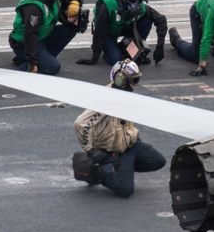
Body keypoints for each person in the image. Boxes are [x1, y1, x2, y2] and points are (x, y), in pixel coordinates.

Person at [72, 59, 167, 197]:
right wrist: (91, 149)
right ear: (120, 80)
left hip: (129, 146)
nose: (135, 85)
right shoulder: (106, 100)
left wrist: (134, 136)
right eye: (133, 80)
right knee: (125, 190)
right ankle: (98, 172)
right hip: (110, 151)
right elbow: (80, 123)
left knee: (158, 161)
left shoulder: (125, 95)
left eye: (137, 80)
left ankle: (120, 169)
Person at [76, 0, 168, 68]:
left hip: (124, 28)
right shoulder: (108, 5)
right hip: (107, 33)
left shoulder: (141, 6)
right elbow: (99, 32)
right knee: (116, 61)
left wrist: (160, 47)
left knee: (147, 20)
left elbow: (161, 19)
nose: (135, 3)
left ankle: (135, 50)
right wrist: (94, 58)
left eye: (139, 0)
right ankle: (109, 51)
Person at [9, 0, 85, 74]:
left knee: (70, 29)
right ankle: (27, 63)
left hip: (42, 37)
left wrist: (75, 2)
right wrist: (33, 62)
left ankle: (39, 58)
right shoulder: (34, 7)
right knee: (53, 68)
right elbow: (30, 34)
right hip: (25, 43)